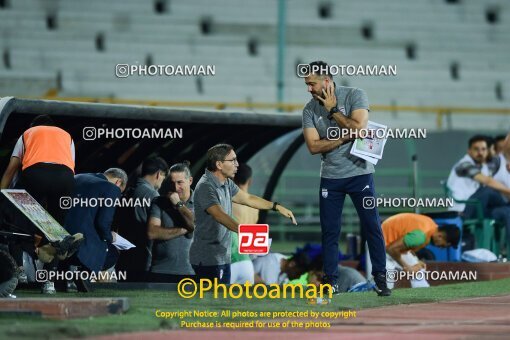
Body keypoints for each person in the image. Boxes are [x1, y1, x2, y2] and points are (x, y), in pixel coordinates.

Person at [301, 60, 390, 296]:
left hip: (360, 174)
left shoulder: (355, 95)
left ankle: (381, 278)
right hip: (330, 178)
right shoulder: (309, 109)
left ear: (327, 81)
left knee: (372, 226)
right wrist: (342, 139)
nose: (309, 89)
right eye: (306, 84)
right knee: (330, 231)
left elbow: (359, 130)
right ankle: (330, 283)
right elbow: (313, 146)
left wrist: (333, 111)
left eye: (312, 83)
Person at [189, 144, 297, 284]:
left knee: (226, 302)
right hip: (211, 258)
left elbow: (247, 198)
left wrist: (276, 206)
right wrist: (246, 233)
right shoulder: (206, 187)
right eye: (232, 160)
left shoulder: (227, 184)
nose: (237, 164)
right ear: (219, 164)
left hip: (229, 258)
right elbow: (219, 215)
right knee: (211, 302)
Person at [0, 114, 76, 293]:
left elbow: (11, 170)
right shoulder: (67, 136)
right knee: (56, 230)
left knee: (18, 220)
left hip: (35, 174)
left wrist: (3, 195)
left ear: (33, 125)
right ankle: (48, 282)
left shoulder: (28, 133)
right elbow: (70, 167)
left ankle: (19, 271)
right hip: (65, 179)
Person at [367, 213, 460, 289]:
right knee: (384, 284)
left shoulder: (431, 226)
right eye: (443, 245)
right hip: (376, 245)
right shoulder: (421, 236)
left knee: (419, 269)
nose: (441, 248)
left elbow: (406, 243)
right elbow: (391, 249)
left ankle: (424, 299)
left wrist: (416, 260)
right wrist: (407, 267)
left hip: (388, 245)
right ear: (440, 236)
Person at [63, 168, 128, 275]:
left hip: (59, 236)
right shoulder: (112, 188)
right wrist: (111, 237)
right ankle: (82, 277)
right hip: (80, 244)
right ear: (118, 182)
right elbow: (102, 223)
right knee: (112, 254)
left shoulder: (77, 177)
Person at [116, 157, 168, 281]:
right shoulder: (153, 195)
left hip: (123, 258)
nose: (162, 181)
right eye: (163, 177)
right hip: (142, 259)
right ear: (158, 174)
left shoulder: (128, 191)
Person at [147, 161, 195, 283]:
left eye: (180, 182)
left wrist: (178, 204)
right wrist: (185, 229)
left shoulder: (201, 202)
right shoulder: (159, 202)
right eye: (172, 183)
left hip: (190, 272)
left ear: (190, 181)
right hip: (160, 271)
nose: (175, 188)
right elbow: (152, 232)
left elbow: (194, 224)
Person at [231, 163, 257, 284]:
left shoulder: (230, 201)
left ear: (232, 178)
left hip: (231, 260)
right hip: (247, 263)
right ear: (250, 181)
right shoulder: (255, 206)